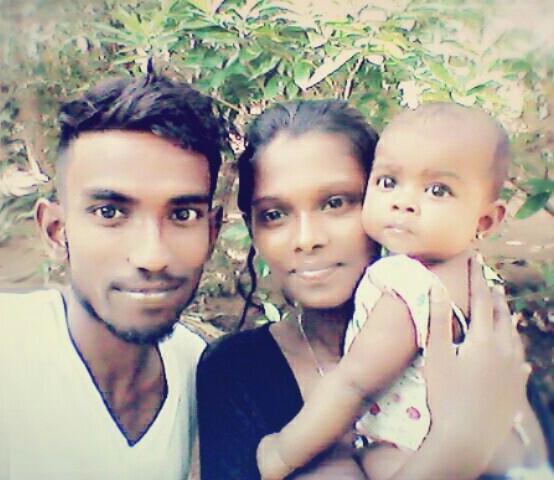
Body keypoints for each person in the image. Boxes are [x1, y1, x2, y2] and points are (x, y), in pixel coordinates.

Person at [196, 100, 533, 479]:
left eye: (335, 203)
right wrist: (456, 448)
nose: (307, 239)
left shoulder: (486, 338)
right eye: (274, 215)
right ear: (254, 230)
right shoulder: (237, 372)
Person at [0, 73, 226, 480]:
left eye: (182, 214)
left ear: (212, 233)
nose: (152, 256)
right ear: (56, 231)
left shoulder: (201, 372)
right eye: (110, 212)